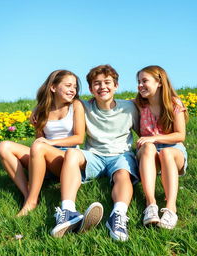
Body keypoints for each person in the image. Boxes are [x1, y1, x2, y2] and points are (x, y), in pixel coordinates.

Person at [50, 65, 139, 241]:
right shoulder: (82, 106)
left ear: (116, 86)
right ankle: (68, 211)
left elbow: (144, 132)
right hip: (94, 156)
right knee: (71, 154)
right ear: (91, 89)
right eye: (97, 84)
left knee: (123, 174)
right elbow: (57, 101)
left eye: (107, 82)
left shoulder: (129, 107)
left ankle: (118, 216)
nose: (102, 87)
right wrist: (39, 112)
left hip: (121, 155)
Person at [0, 69, 88, 217]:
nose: (73, 90)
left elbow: (79, 138)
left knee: (40, 146)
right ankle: (28, 195)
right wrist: (39, 129)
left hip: (65, 160)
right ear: (53, 87)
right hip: (43, 156)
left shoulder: (75, 105)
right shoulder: (41, 110)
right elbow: (38, 141)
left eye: (75, 87)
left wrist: (49, 143)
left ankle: (31, 202)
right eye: (68, 85)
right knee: (4, 146)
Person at [134, 65, 188, 229]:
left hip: (173, 151)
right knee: (149, 148)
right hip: (148, 155)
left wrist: (154, 137)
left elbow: (180, 135)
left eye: (145, 81)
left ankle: (171, 208)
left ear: (159, 82)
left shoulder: (173, 103)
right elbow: (115, 104)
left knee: (166, 152)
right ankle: (151, 205)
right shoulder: (138, 104)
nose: (140, 85)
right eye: (139, 81)